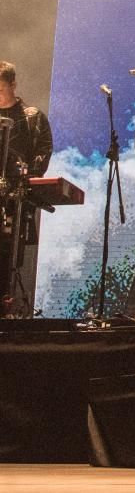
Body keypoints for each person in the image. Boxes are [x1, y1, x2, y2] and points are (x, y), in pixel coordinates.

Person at [0, 60, 53, 317]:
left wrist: (24, 181)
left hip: (15, 203)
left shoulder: (32, 118)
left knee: (8, 262)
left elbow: (43, 152)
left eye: (0, 89)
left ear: (13, 85)